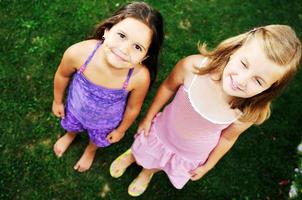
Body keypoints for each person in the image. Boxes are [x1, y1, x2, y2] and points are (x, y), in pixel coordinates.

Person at [110, 24, 301, 196]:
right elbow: (168, 87)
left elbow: (228, 137)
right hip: (164, 129)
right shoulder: (193, 67)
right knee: (146, 146)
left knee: (161, 162)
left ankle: (147, 172)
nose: (242, 80)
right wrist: (148, 117)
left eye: (258, 80)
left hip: (190, 151)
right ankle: (134, 155)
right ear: (235, 50)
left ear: (269, 88)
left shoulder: (248, 111)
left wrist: (208, 166)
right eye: (244, 64)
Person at [52, 2, 164, 172]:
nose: (124, 49)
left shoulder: (139, 77)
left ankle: (90, 150)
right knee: (72, 125)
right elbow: (62, 75)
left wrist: (121, 130)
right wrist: (58, 101)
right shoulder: (79, 53)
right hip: (76, 108)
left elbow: (133, 108)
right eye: (122, 35)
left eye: (137, 47)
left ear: (145, 56)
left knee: (97, 139)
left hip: (106, 123)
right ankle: (70, 135)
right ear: (107, 30)